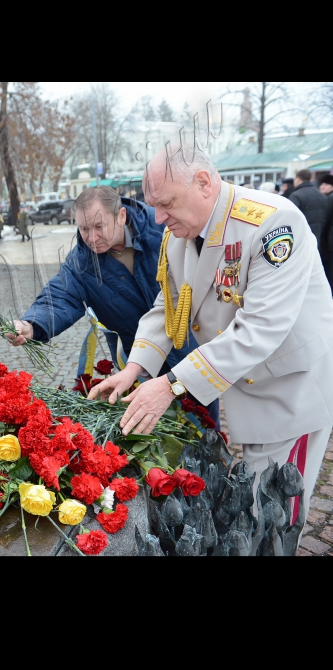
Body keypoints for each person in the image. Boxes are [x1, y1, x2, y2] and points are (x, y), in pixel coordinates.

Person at [93, 145, 333, 548]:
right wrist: (135, 368)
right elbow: (167, 305)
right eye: (153, 205)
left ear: (204, 183)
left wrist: (170, 385)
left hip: (291, 389)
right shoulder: (179, 234)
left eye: (166, 203)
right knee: (254, 509)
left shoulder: (273, 222)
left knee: (277, 512)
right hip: (249, 384)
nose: (157, 218)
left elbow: (259, 329)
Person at [9, 185, 220, 427]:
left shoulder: (164, 227)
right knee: (155, 432)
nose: (91, 237)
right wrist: (31, 325)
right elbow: (60, 297)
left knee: (204, 426)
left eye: (99, 227)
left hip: (192, 353)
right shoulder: (82, 262)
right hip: (139, 365)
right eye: (84, 228)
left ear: (121, 216)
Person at [287, 168, 329, 253]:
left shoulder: (296, 195)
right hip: (319, 238)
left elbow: (289, 218)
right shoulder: (322, 195)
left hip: (301, 239)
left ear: (298, 179)